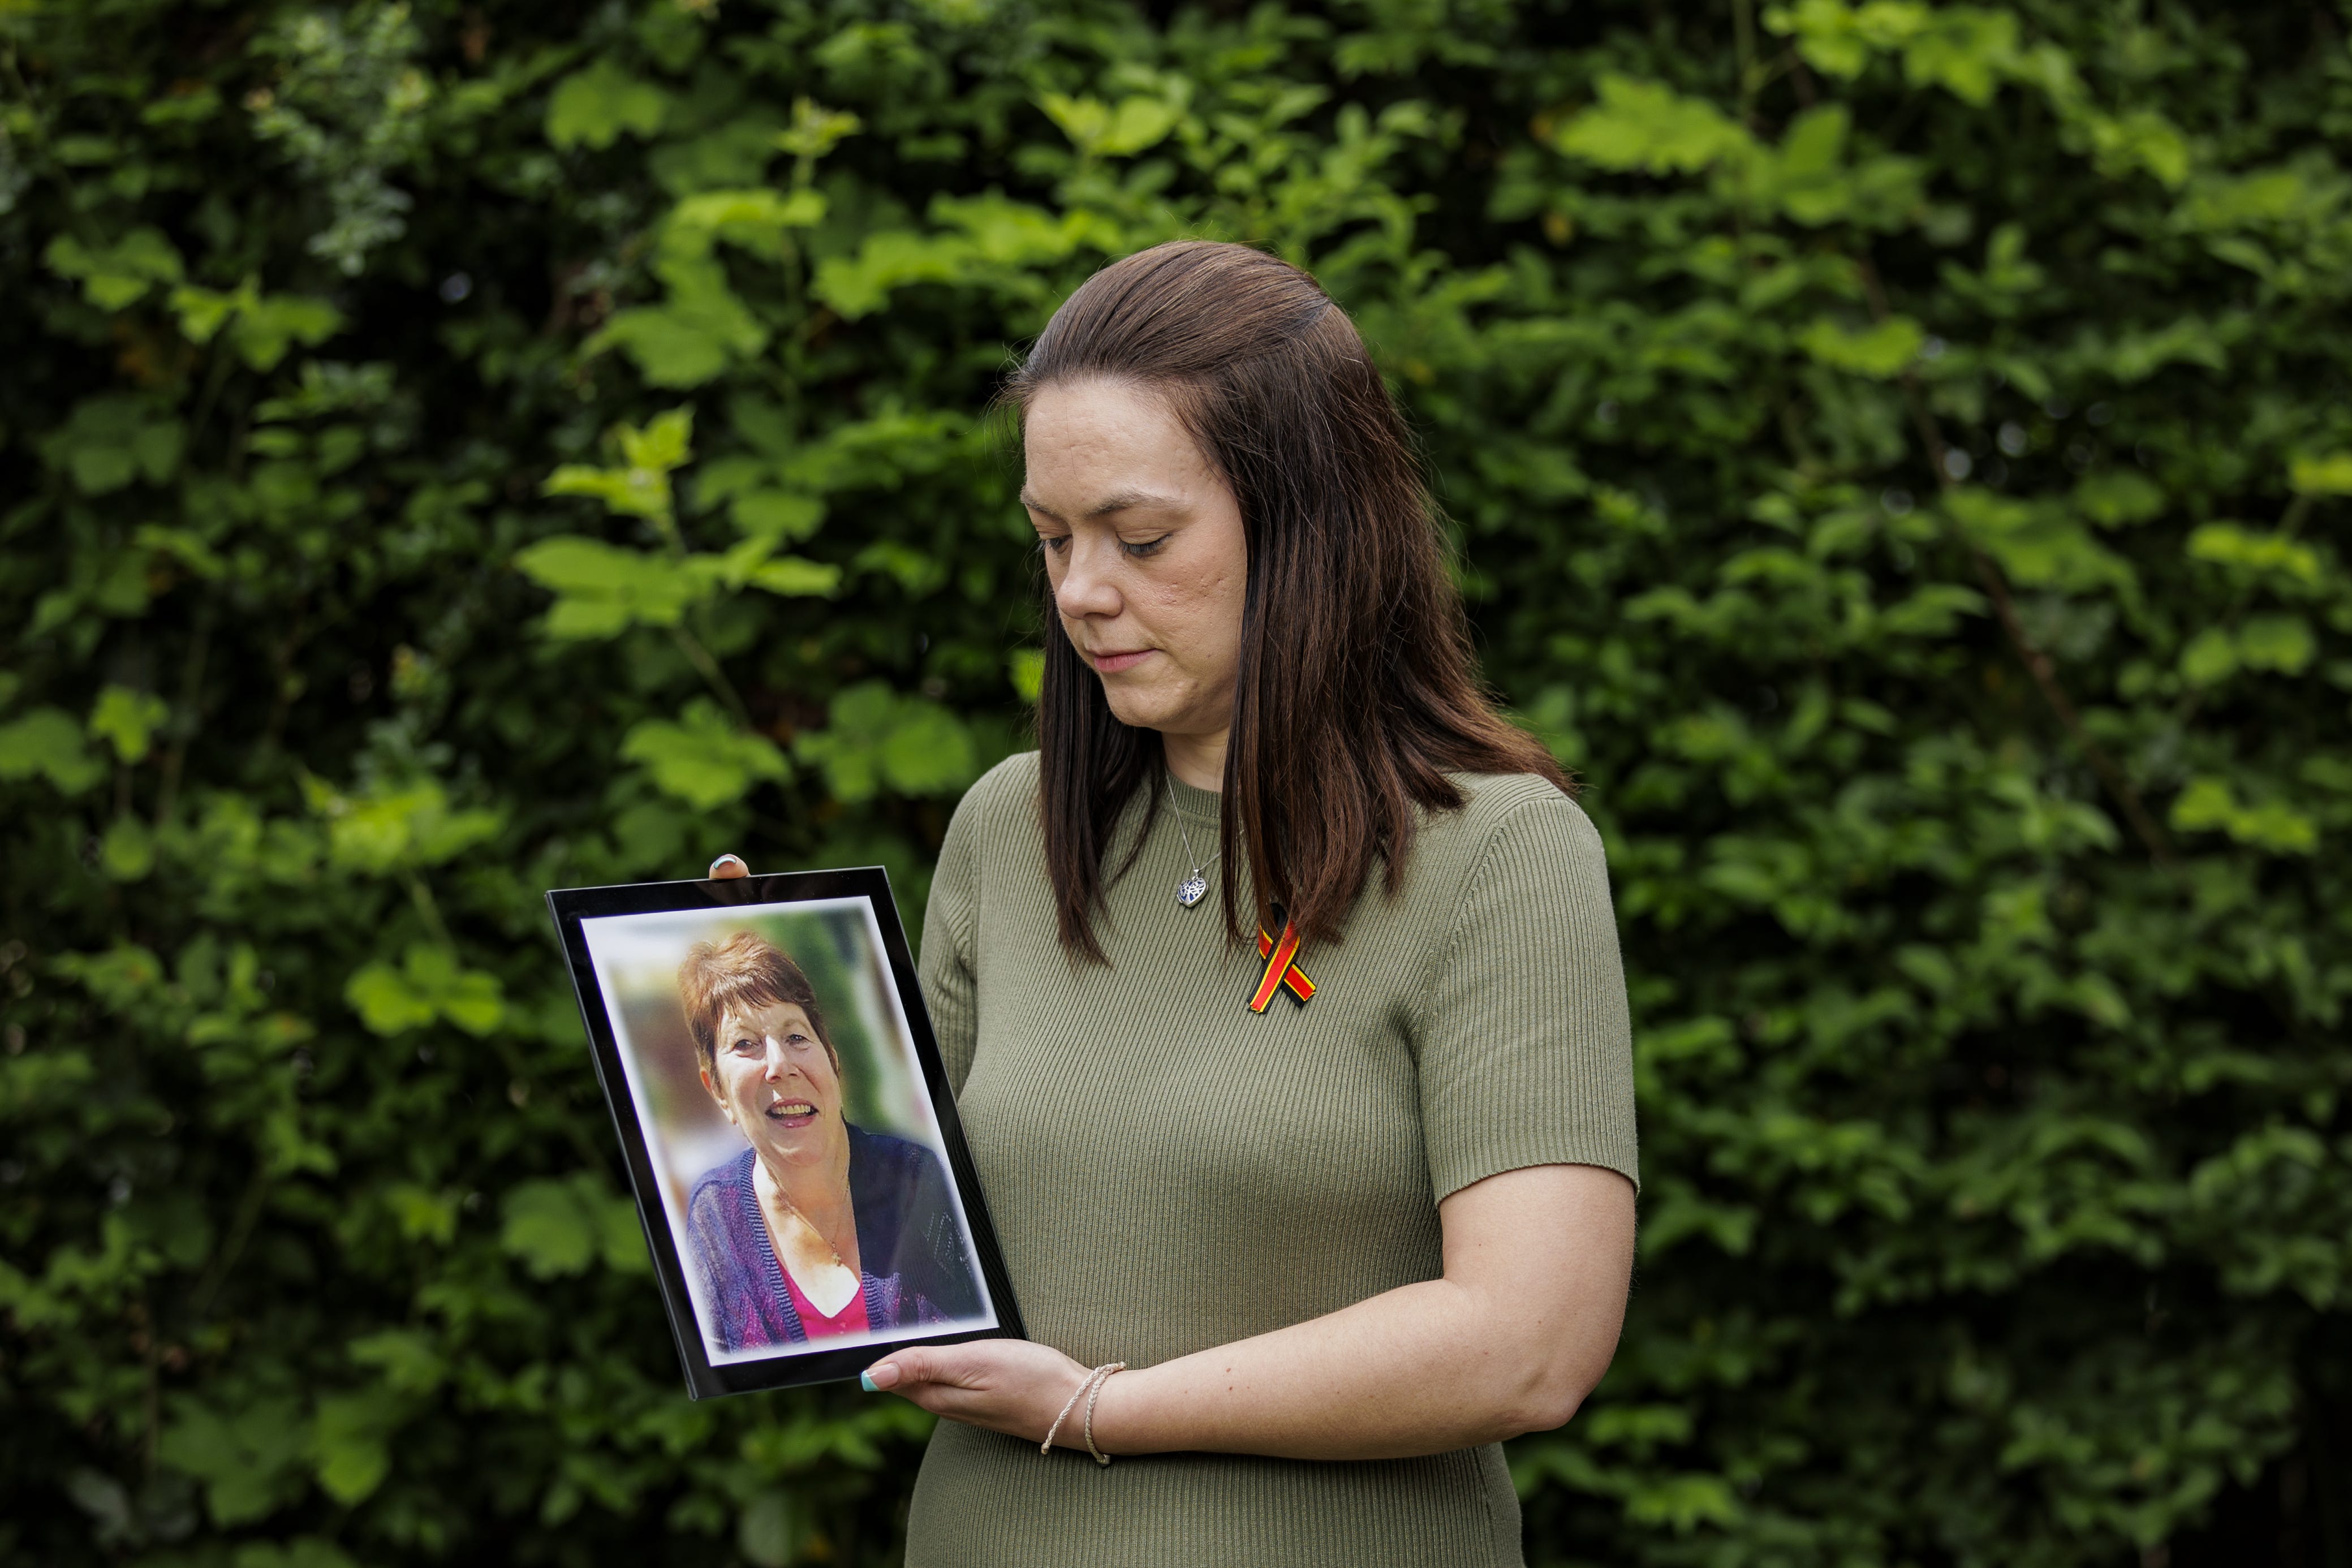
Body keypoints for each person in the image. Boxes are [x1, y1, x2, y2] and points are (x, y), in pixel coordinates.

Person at [712, 239, 1638, 1566]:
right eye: (1052, 538)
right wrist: (769, 1010)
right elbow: (901, 1261)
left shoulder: (1501, 855)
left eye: (1140, 538)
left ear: (1312, 522)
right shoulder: (1009, 832)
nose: (1084, 591)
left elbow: (1528, 1344)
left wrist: (1102, 1411)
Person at [675, 931, 980, 1350]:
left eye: (797, 1037)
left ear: (832, 1060)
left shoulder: (919, 1179)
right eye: (745, 1044)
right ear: (719, 1092)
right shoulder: (716, 1218)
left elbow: (988, 1344)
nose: (780, 1066)